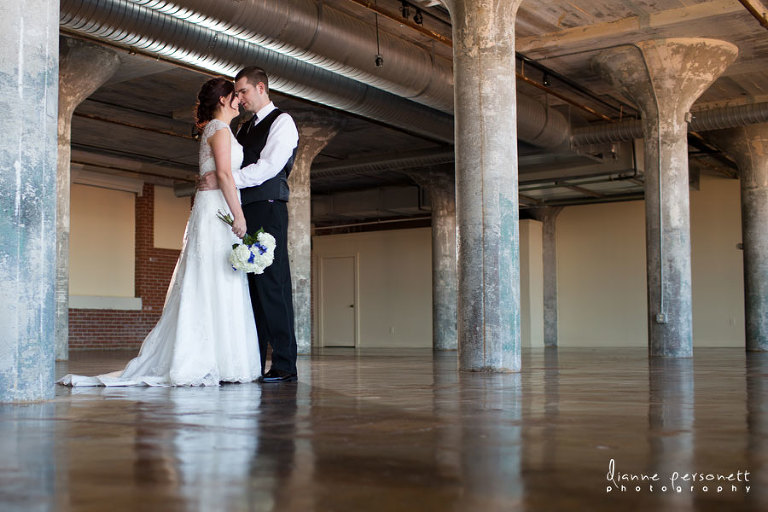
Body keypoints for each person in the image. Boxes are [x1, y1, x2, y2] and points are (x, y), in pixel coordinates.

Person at [58, 78, 261, 387]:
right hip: (217, 209)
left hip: (214, 206)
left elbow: (221, 174)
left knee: (219, 276)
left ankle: (222, 358)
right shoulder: (219, 130)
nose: (239, 100)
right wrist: (240, 214)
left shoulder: (218, 130)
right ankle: (212, 359)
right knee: (213, 277)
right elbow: (223, 174)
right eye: (235, 95)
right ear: (223, 99)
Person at [201, 66, 299, 383]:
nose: (239, 98)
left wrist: (226, 180)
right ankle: (252, 362)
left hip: (268, 208)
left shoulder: (282, 121)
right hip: (243, 210)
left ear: (260, 88)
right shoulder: (242, 128)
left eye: (242, 91)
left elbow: (268, 167)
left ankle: (285, 364)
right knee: (250, 289)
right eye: (237, 93)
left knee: (273, 285)